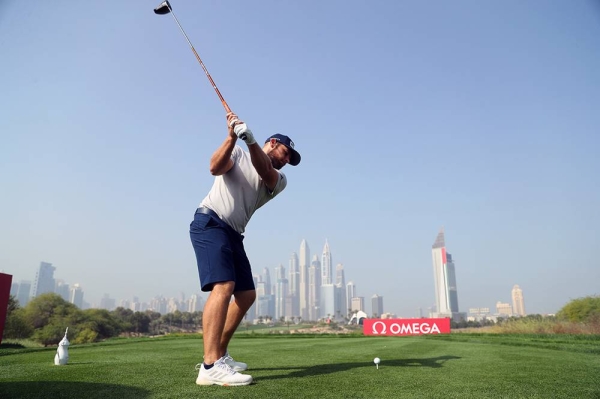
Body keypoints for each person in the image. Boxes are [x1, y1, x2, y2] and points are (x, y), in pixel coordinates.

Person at [189, 112, 301, 386]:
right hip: (210, 221)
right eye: (286, 153)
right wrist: (231, 137)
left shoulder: (278, 179)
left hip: (234, 233)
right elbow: (215, 168)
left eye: (289, 160)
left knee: (247, 294)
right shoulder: (238, 154)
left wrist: (250, 140)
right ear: (273, 143)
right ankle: (210, 365)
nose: (287, 161)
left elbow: (264, 170)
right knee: (224, 285)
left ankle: (221, 353)